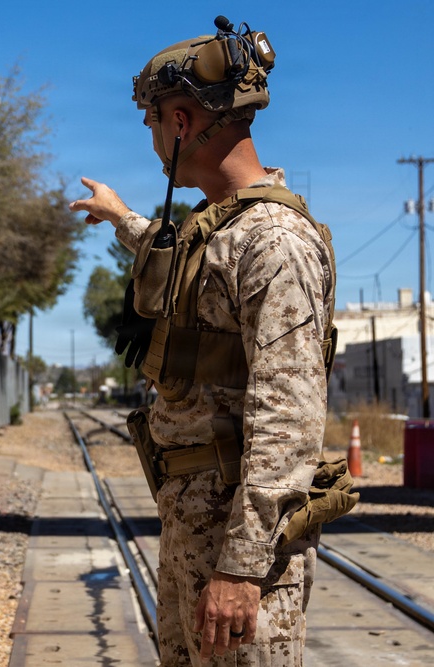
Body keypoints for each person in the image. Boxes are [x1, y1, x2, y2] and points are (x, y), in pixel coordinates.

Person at [69, 17, 346, 666]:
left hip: (235, 544)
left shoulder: (275, 240)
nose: (151, 134)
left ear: (184, 121)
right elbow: (185, 269)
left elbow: (290, 414)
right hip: (193, 527)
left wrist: (243, 569)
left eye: (154, 119)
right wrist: (122, 218)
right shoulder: (217, 230)